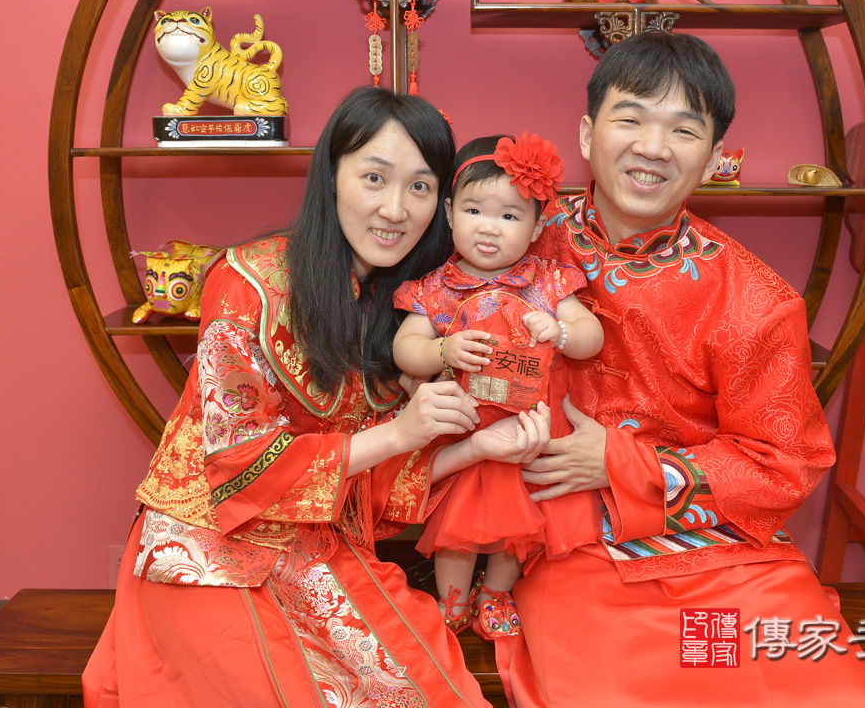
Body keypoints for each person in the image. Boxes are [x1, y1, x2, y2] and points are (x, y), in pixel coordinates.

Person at [82, 87, 552, 708]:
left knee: (421, 693)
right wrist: (398, 432)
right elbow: (238, 464)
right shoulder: (248, 282)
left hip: (319, 553)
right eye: (374, 177)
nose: (394, 209)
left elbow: (368, 491)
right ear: (330, 176)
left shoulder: (404, 311)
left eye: (419, 186)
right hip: (203, 554)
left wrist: (478, 448)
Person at [503, 32, 865, 706]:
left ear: (715, 159)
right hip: (575, 547)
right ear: (587, 133)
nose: (653, 147)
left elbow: (785, 464)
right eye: (630, 119)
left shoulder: (754, 298)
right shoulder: (514, 248)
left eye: (683, 131)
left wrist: (623, 464)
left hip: (731, 557)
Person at [392, 133, 604, 639]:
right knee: (456, 528)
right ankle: (453, 600)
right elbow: (405, 348)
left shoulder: (548, 282)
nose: (489, 228)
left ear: (536, 228)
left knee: (520, 525)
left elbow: (592, 337)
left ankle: (495, 595)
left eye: (509, 216)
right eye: (473, 211)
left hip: (528, 429)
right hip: (464, 428)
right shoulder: (435, 287)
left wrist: (562, 331)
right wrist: (442, 350)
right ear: (449, 213)